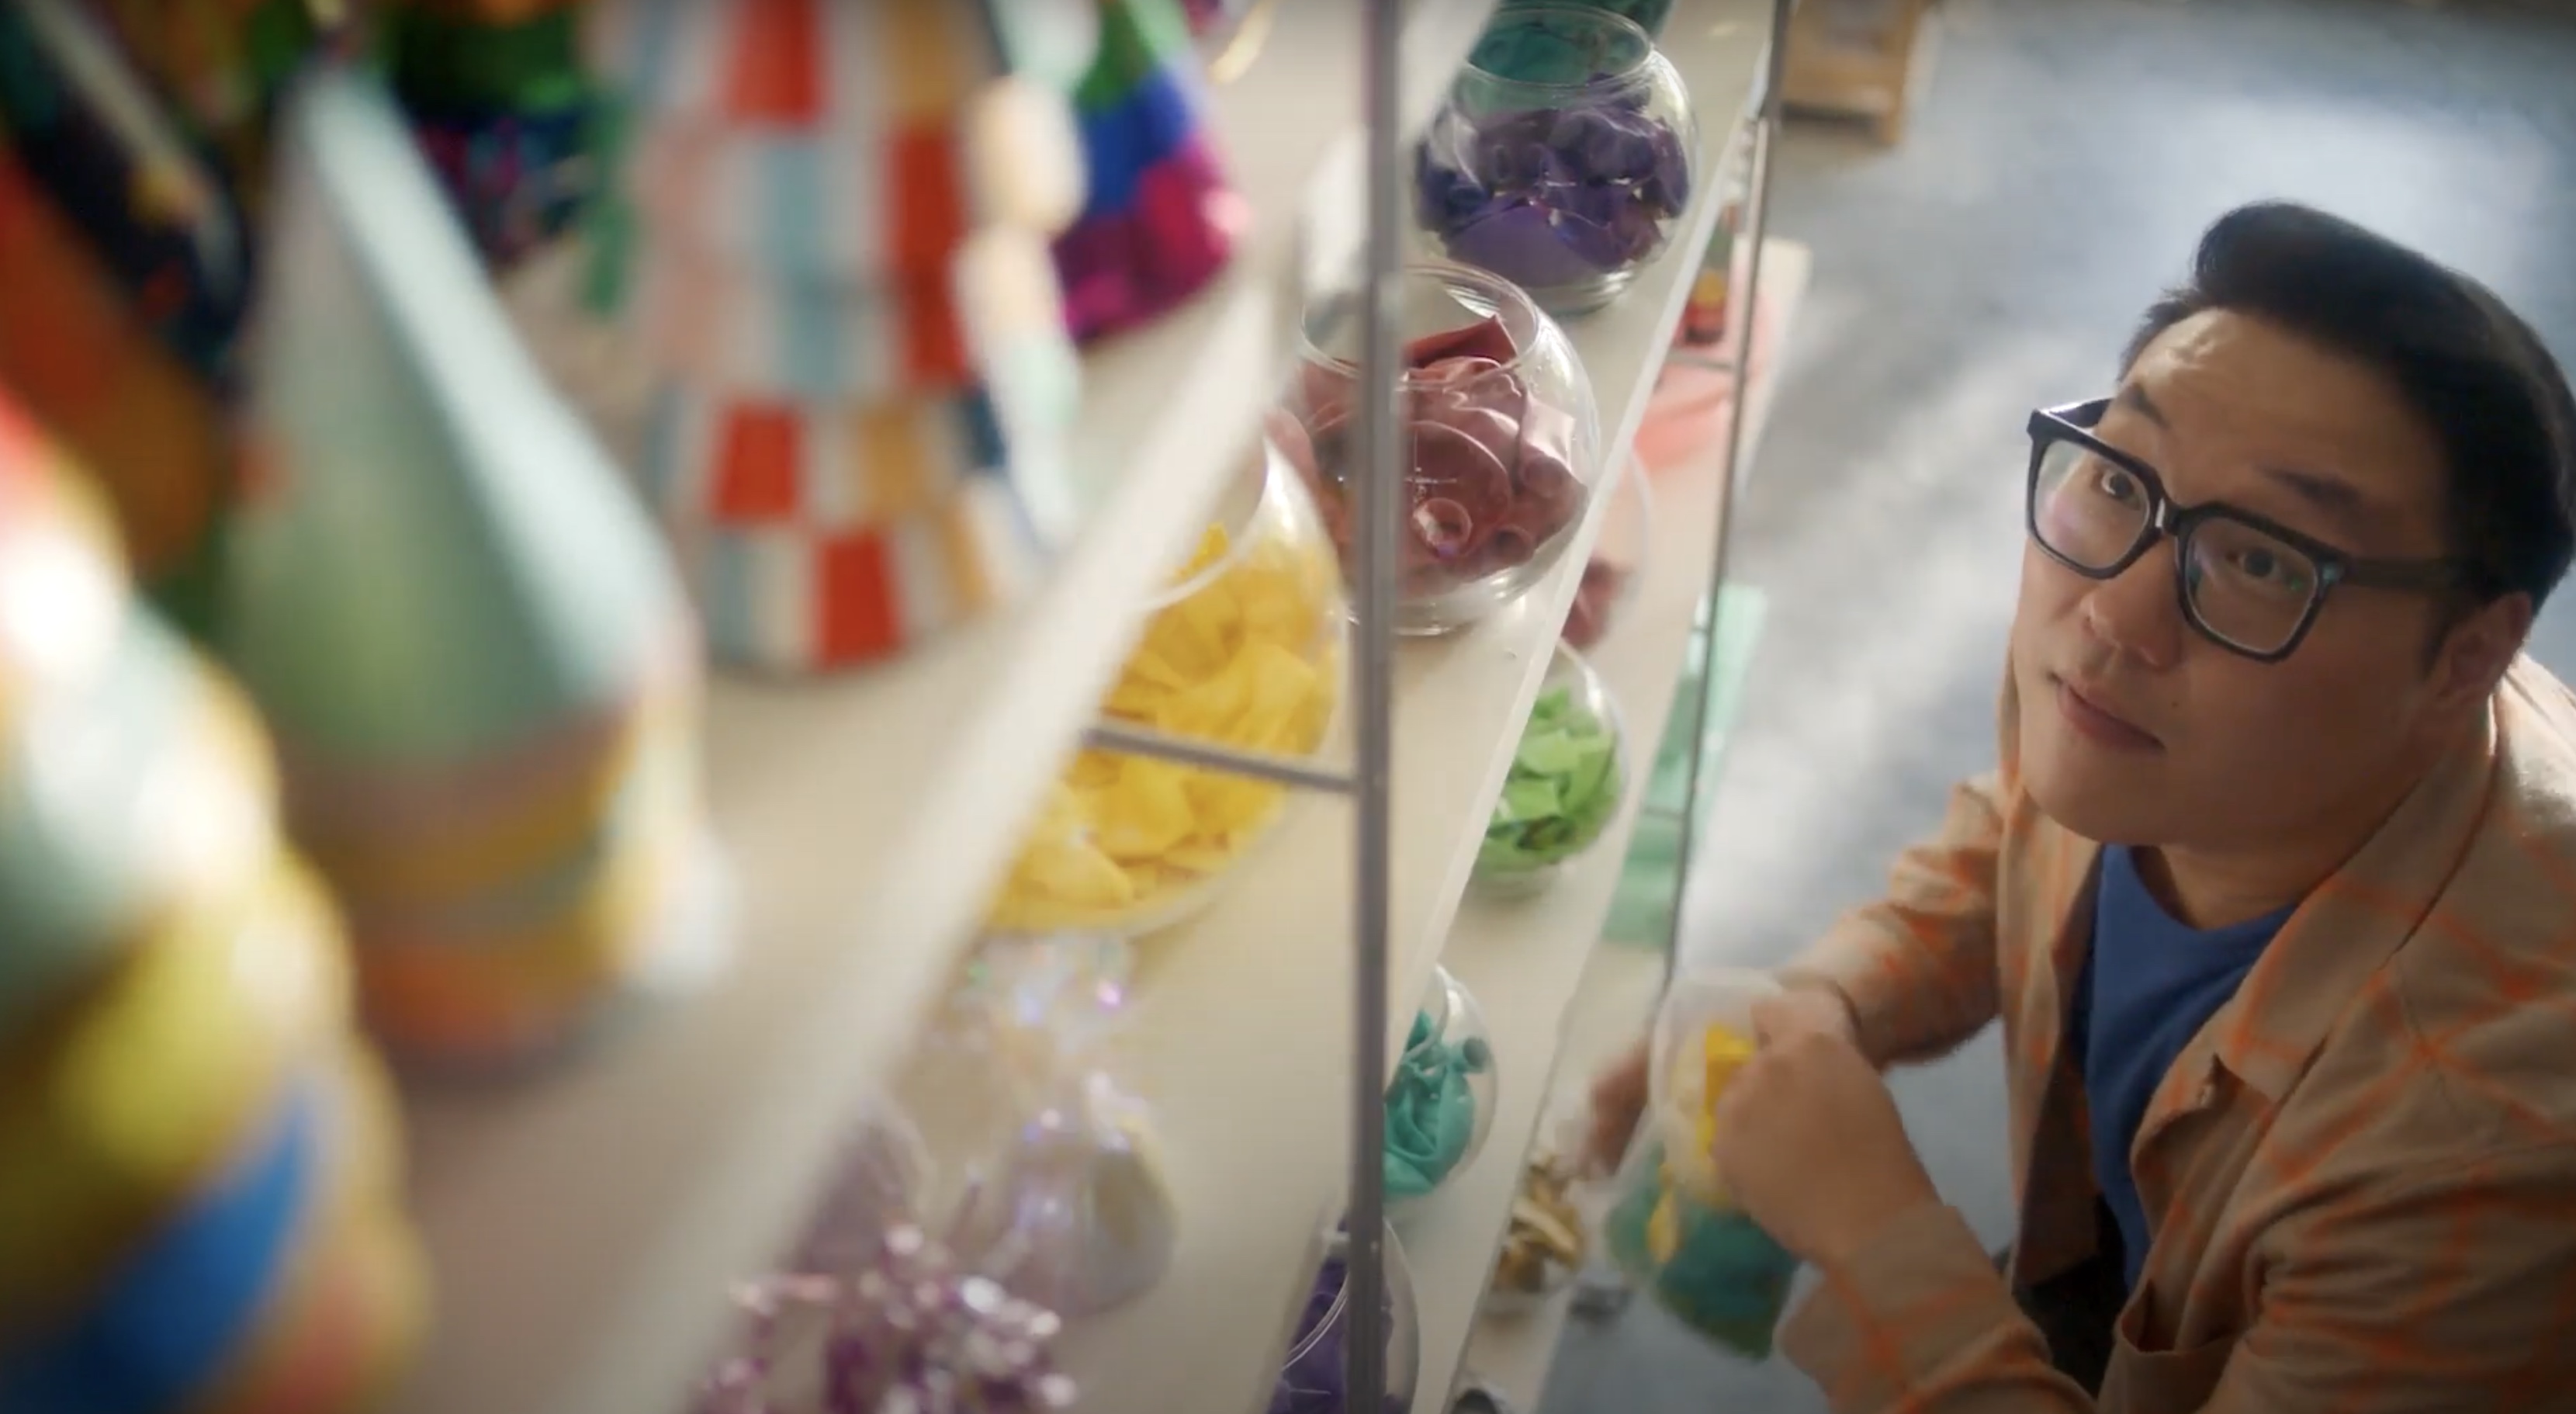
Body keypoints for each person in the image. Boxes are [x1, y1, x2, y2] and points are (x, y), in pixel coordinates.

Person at [1587, 201, 2576, 1412]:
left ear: (2467, 657)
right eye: (2120, 472)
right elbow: (2013, 839)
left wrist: (1875, 1230)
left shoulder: (2487, 1145)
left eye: (2261, 557)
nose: (2115, 613)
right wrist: (1830, 1000)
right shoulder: (2145, 675)